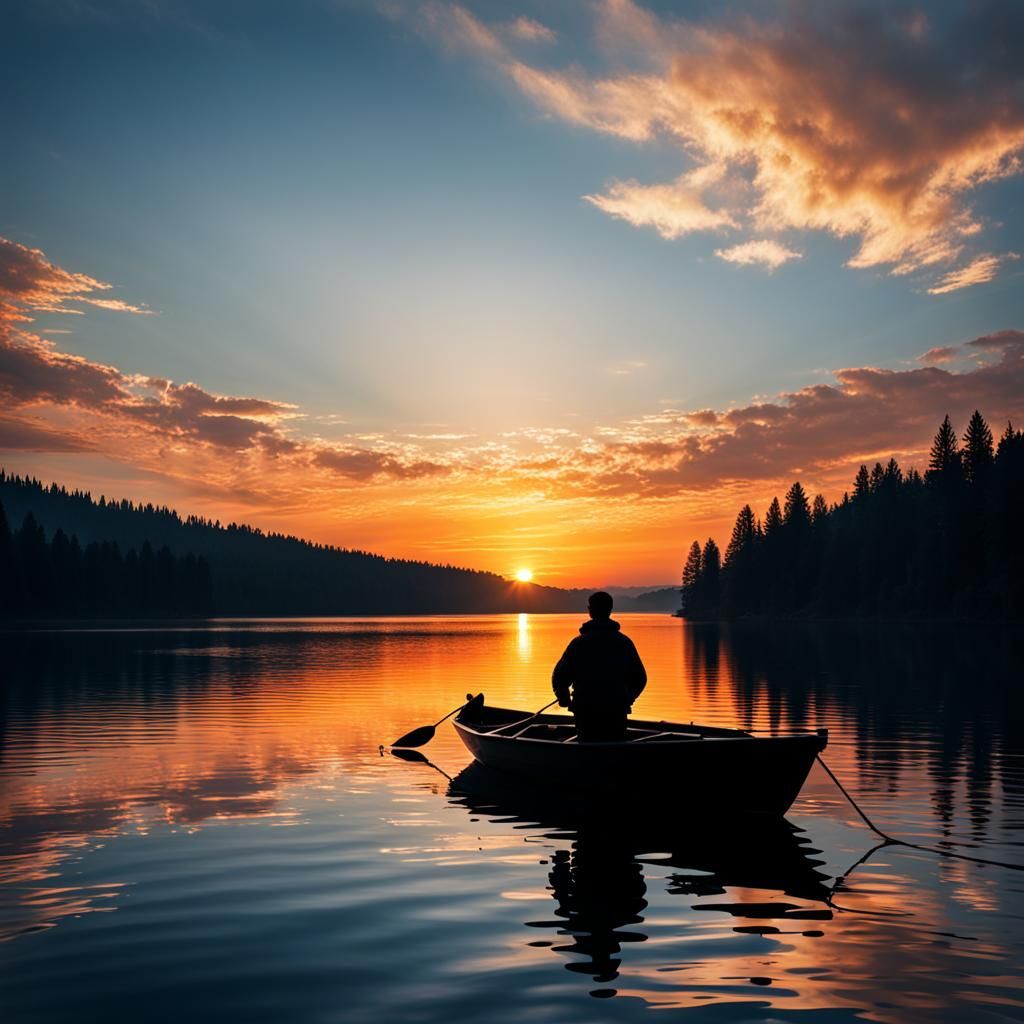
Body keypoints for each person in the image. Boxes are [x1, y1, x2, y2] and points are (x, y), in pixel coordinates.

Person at [552, 591, 647, 742]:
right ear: (610, 610)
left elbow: (560, 676)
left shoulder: (578, 643)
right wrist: (628, 698)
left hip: (586, 710)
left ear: (590, 611)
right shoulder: (624, 643)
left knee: (586, 747)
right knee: (616, 747)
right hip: (616, 710)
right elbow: (640, 678)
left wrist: (562, 696)